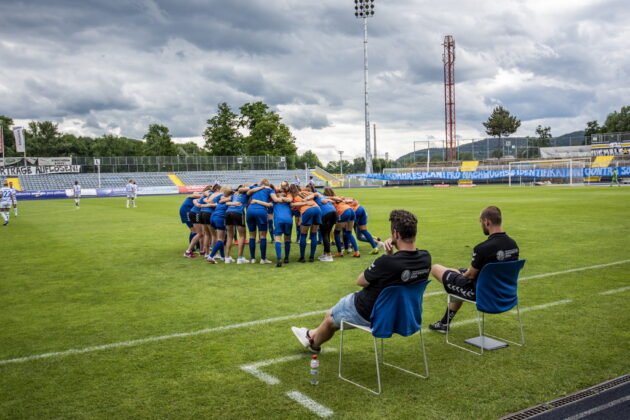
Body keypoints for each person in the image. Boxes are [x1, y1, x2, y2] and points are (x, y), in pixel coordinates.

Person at [291, 209, 432, 352]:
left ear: (395, 234)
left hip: (371, 313)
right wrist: (390, 256)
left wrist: (388, 256)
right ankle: (311, 334)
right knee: (333, 314)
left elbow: (361, 281)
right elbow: (402, 270)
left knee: (330, 317)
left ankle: (313, 342)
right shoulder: (426, 258)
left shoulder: (387, 262)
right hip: (403, 314)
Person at [428, 206, 520, 333]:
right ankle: (444, 323)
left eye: (481, 221)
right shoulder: (513, 245)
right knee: (458, 272)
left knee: (436, 268)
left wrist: (458, 275)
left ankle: (444, 323)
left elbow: (470, 276)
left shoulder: (482, 248)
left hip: (484, 295)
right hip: (506, 294)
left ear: (487, 222)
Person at [289, 184, 322, 263]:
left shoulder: (292, 196)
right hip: (317, 208)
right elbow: (316, 194)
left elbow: (291, 205)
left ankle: (302, 257)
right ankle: (311, 257)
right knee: (314, 234)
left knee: (303, 234)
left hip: (307, 211)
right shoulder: (304, 192)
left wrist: (304, 203)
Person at [247, 179, 274, 264]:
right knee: (263, 236)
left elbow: (247, 192)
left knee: (252, 235)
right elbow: (273, 201)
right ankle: (263, 259)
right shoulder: (269, 189)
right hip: (261, 211)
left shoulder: (253, 187)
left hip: (250, 210)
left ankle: (253, 259)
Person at [225, 185, 250, 264]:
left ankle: (227, 258)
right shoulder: (247, 194)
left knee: (230, 235)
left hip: (228, 212)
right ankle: (240, 258)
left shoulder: (234, 194)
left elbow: (226, 201)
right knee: (242, 236)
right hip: (238, 213)